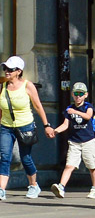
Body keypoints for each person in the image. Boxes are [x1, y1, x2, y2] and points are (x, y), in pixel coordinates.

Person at [1, 55, 55, 200]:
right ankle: (1, 189)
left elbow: (38, 106)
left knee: (25, 158)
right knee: (4, 157)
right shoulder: (3, 86)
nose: (6, 71)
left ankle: (33, 185)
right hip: (6, 127)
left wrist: (47, 125)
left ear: (18, 71)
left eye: (10, 69)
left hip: (25, 126)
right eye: (5, 68)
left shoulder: (27, 86)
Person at [50, 82, 95, 199]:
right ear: (72, 95)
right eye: (76, 94)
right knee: (69, 165)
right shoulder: (69, 109)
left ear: (86, 95)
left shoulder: (88, 106)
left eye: (81, 94)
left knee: (92, 166)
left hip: (88, 140)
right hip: (74, 142)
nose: (78, 96)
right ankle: (61, 187)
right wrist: (55, 131)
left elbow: (88, 116)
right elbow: (65, 124)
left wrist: (76, 112)